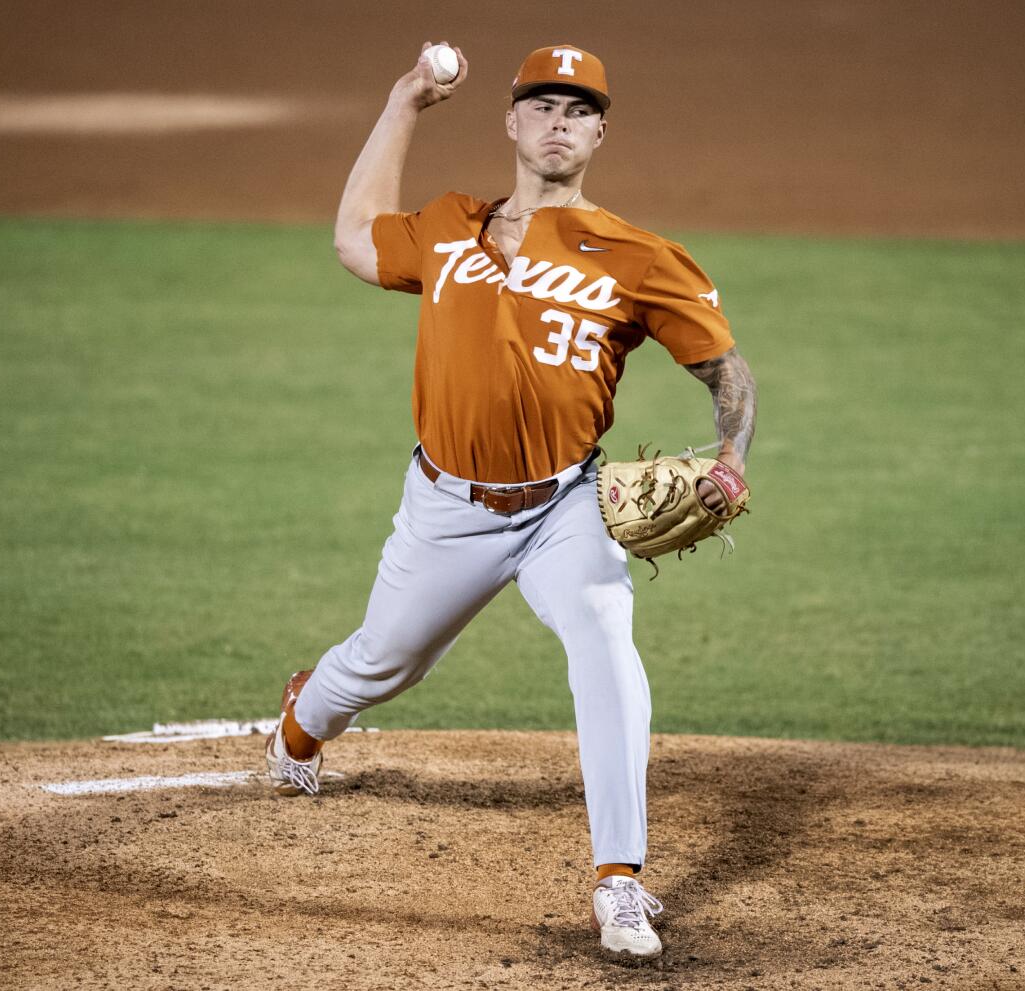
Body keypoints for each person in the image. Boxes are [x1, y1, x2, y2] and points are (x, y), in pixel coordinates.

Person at [263, 42, 757, 959]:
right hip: (446, 505)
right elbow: (351, 237)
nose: (558, 121)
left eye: (578, 109)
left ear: (601, 131)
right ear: (511, 121)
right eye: (542, 105)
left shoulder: (639, 257)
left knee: (605, 635)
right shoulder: (449, 224)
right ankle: (303, 718)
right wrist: (404, 99)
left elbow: (727, 370)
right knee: (383, 661)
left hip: (566, 503)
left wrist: (731, 457)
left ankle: (620, 880)